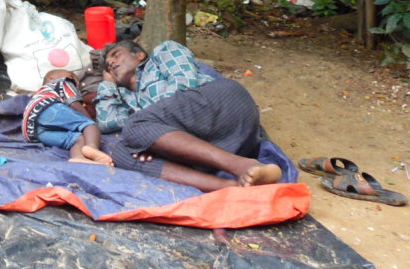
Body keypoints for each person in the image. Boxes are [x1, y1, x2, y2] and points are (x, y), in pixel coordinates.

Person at [97, 39, 282, 192]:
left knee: (134, 127)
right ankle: (231, 187)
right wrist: (108, 84)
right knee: (121, 152)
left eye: (116, 54)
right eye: (108, 66)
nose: (111, 63)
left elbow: (185, 83)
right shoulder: (127, 97)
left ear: (139, 55)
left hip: (221, 107)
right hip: (202, 146)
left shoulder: (162, 52)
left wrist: (150, 136)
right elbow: (106, 122)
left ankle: (244, 166)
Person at [22, 68, 113, 165]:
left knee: (77, 139)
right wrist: (90, 124)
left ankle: (78, 157)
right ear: (51, 78)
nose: (77, 83)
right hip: (46, 107)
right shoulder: (62, 82)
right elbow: (74, 103)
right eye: (72, 76)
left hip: (29, 130)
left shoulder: (38, 93)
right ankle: (92, 149)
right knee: (89, 125)